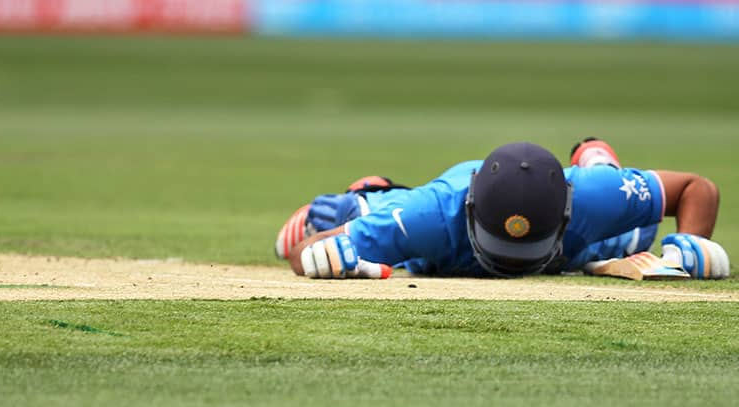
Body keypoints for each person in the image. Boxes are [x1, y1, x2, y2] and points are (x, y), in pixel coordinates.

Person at [275, 139, 729, 280]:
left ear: (566, 212)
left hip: (579, 226)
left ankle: (598, 158)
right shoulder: (427, 216)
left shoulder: (590, 197)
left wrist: (692, 245)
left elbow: (695, 188)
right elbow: (302, 254)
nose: (511, 265)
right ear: (472, 211)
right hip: (431, 234)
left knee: (634, 238)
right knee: (322, 222)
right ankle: (364, 195)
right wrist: (323, 256)